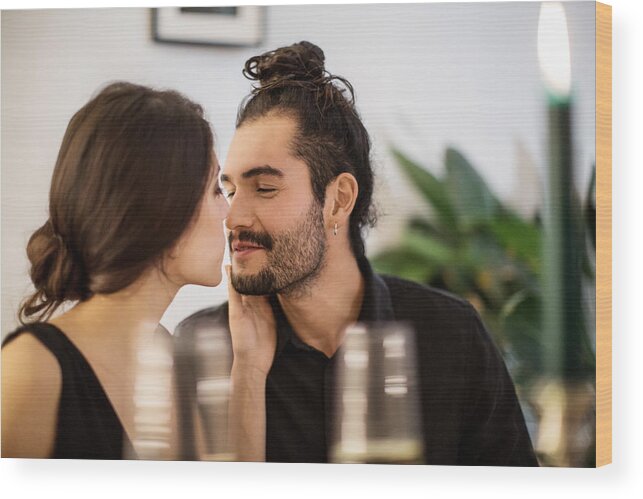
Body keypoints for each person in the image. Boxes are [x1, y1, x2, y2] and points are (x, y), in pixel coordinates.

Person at [175, 41, 539, 466]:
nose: (233, 216)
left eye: (265, 188)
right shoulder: (204, 347)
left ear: (338, 200)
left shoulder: (451, 336)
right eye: (230, 190)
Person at [1, 82, 272, 460]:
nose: (230, 214)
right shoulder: (31, 369)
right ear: (162, 208)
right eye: (215, 190)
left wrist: (250, 366)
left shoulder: (165, 353)